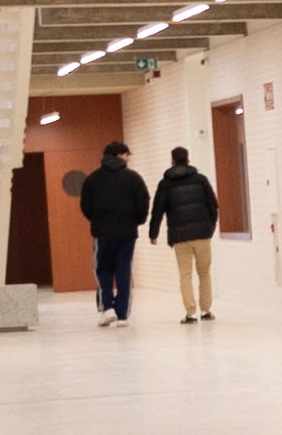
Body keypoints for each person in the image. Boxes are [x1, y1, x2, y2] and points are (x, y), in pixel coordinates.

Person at [77, 138, 148, 328]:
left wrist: (96, 219)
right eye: (126, 155)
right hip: (127, 232)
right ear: (120, 155)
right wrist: (137, 221)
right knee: (124, 269)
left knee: (103, 269)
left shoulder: (93, 179)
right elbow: (143, 202)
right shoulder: (133, 178)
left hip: (102, 233)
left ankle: (107, 308)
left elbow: (85, 205)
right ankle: (122, 314)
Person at [153, 144, 223, 323]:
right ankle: (206, 310)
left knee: (185, 274)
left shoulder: (165, 184)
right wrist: (210, 226)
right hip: (202, 235)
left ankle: (190, 312)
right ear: (188, 160)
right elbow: (213, 204)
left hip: (179, 236)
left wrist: (153, 232)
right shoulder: (200, 180)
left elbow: (158, 210)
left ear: (172, 161)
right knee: (204, 272)